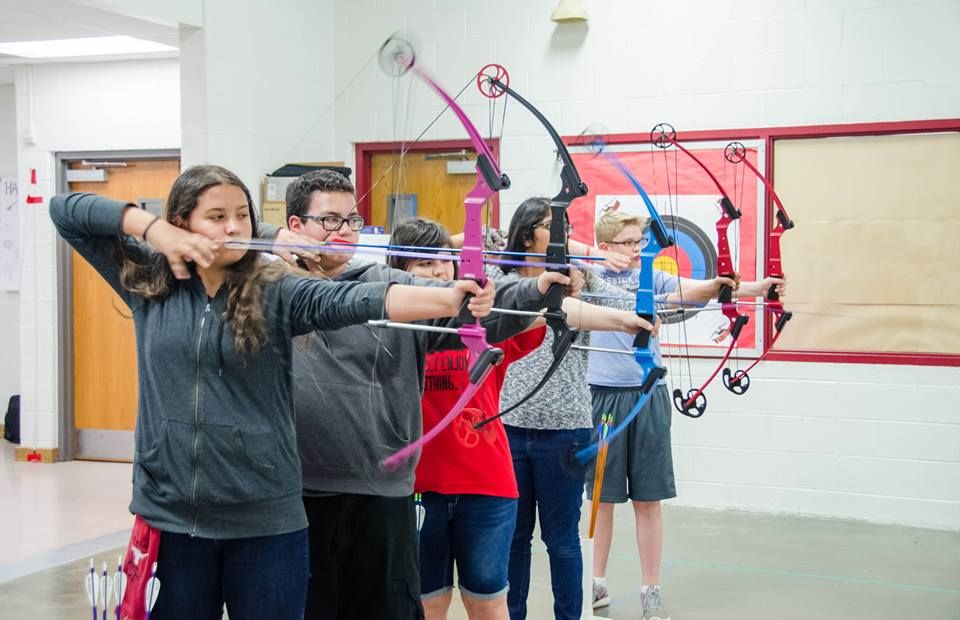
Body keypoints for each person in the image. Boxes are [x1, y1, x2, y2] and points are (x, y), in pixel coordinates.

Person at [50, 165, 492, 620]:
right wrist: (152, 228)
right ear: (181, 222)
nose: (234, 228)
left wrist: (450, 299)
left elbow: (352, 301)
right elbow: (65, 210)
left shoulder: (275, 288)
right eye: (217, 216)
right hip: (173, 518)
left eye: (243, 215)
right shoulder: (149, 283)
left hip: (267, 523)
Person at [258, 171, 569, 620]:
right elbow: (202, 232)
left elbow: (473, 312)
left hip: (384, 493)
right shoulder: (265, 287)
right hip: (299, 491)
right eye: (329, 220)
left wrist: (536, 289)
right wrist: (270, 238)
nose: (344, 231)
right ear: (295, 223)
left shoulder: (388, 283)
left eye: (352, 220)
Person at [389, 218, 655, 620]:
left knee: (488, 602)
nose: (439, 270)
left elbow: (553, 312)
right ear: (398, 272)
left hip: (486, 486)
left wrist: (623, 321)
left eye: (444, 260)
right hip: (419, 487)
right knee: (428, 603)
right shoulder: (388, 330)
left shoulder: (484, 321)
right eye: (424, 264)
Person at [583, 208, 786, 620]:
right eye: (627, 243)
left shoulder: (652, 277)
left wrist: (731, 285)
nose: (638, 250)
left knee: (648, 500)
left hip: (648, 394)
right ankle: (596, 582)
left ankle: (650, 589)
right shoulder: (589, 278)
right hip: (604, 398)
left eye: (641, 242)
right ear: (604, 247)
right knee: (602, 501)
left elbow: (690, 290)